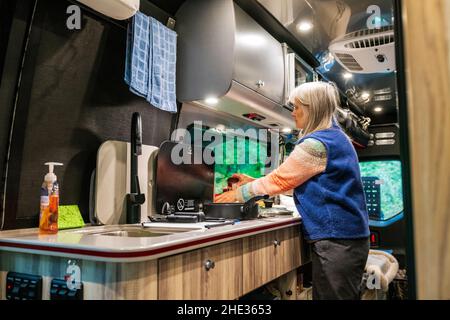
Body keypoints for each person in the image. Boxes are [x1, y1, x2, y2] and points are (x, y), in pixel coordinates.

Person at [215, 81, 370, 300]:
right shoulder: (335, 138)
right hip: (347, 237)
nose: (294, 113)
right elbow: (305, 182)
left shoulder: (317, 143)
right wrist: (252, 181)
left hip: (337, 239)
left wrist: (234, 195)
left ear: (312, 109)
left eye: (298, 107)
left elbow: (281, 180)